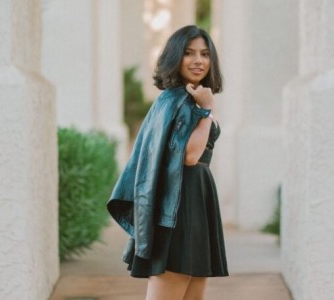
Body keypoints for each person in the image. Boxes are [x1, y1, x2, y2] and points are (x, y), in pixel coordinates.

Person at [107, 25, 228, 300]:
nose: (199, 61)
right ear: (176, 57)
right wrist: (207, 110)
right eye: (189, 53)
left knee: (193, 295)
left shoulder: (188, 98)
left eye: (205, 54)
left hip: (195, 202)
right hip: (179, 207)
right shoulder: (177, 100)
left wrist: (203, 106)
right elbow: (190, 156)